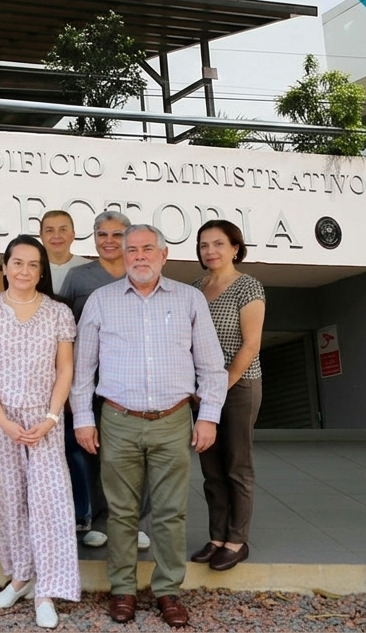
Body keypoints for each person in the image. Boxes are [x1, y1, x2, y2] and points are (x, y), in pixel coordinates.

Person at [70, 224, 228, 629]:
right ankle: (122, 590)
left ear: (163, 254)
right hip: (118, 420)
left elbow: (211, 365)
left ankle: (167, 591)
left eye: (147, 249)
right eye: (131, 251)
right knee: (121, 514)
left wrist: (208, 416)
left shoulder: (190, 299)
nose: (139, 257)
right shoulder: (102, 301)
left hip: (173, 420)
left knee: (171, 512)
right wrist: (84, 419)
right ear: (122, 257)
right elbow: (82, 368)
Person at [0, 236, 79, 629]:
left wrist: (50, 418)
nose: (24, 271)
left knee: (50, 503)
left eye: (33, 265)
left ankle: (46, 590)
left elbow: (65, 369)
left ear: (41, 271)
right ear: (5, 266)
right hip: (1, 420)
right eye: (18, 263)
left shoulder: (57, 313)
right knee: (7, 500)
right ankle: (19, 576)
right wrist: (2, 420)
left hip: (44, 419)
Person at [190, 220, 266, 572]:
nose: (211, 251)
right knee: (211, 469)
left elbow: (250, 345)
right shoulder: (194, 289)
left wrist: (219, 389)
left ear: (235, 248)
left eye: (218, 244)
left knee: (237, 465)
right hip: (202, 392)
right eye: (204, 245)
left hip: (240, 387)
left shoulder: (247, 287)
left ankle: (237, 540)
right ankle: (216, 537)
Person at [57, 210, 133, 550]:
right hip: (90, 378)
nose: (109, 241)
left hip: (134, 379)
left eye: (117, 235)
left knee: (132, 451)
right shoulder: (78, 276)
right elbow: (65, 330)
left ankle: (135, 522)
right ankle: (99, 519)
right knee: (94, 449)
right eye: (102, 235)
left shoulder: (140, 271)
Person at [40, 210, 88, 293]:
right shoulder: (31, 268)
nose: (56, 236)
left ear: (73, 234)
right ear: (41, 235)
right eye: (50, 231)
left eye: (63, 230)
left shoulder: (88, 268)